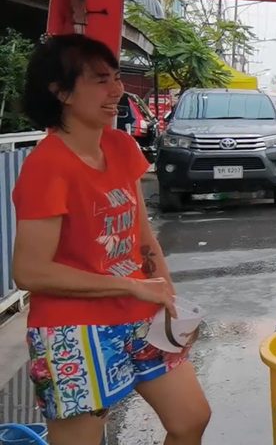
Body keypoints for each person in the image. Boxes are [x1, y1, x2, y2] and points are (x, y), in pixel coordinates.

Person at [11, 34, 210, 445]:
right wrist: (130, 286)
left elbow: (143, 236)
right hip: (72, 331)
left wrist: (171, 303)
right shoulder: (46, 166)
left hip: (140, 314)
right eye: (101, 80)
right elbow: (30, 271)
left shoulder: (120, 145)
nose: (117, 90)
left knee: (191, 418)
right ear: (61, 91)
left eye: (116, 78)